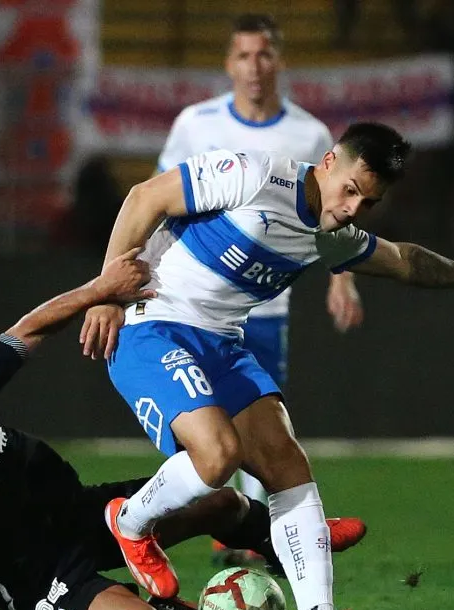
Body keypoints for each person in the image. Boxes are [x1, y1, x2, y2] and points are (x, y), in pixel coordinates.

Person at [80, 122, 454, 610]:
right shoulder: (252, 176)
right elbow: (144, 197)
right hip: (150, 324)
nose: (354, 208)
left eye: (369, 201)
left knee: (287, 463)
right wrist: (105, 291)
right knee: (218, 457)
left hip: (221, 342)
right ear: (329, 161)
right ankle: (130, 522)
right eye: (352, 190)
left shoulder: (329, 234)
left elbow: (406, 261)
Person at [0, 248, 367, 610]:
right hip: (38, 577)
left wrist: (99, 292)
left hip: (84, 514)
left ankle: (298, 545)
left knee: (221, 499)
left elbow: (26, 332)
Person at [156, 14, 365, 537]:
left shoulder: (310, 132)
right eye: (244, 55)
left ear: (280, 61)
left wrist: (343, 278)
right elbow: (157, 198)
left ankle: (255, 532)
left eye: (264, 54)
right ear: (229, 64)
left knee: (261, 416)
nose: (254, 66)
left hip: (264, 302)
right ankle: (180, 517)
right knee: (203, 425)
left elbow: (330, 216)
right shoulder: (195, 124)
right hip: (191, 301)